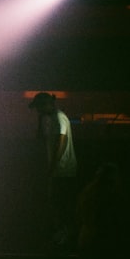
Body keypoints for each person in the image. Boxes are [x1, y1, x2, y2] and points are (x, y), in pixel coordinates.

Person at [28, 91, 78, 249]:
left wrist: (52, 167)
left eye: (39, 108)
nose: (38, 111)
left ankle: (65, 234)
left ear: (46, 105)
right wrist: (40, 120)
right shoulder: (50, 118)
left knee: (58, 202)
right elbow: (40, 138)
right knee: (55, 201)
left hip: (62, 170)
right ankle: (63, 233)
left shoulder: (58, 118)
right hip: (58, 169)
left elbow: (61, 142)